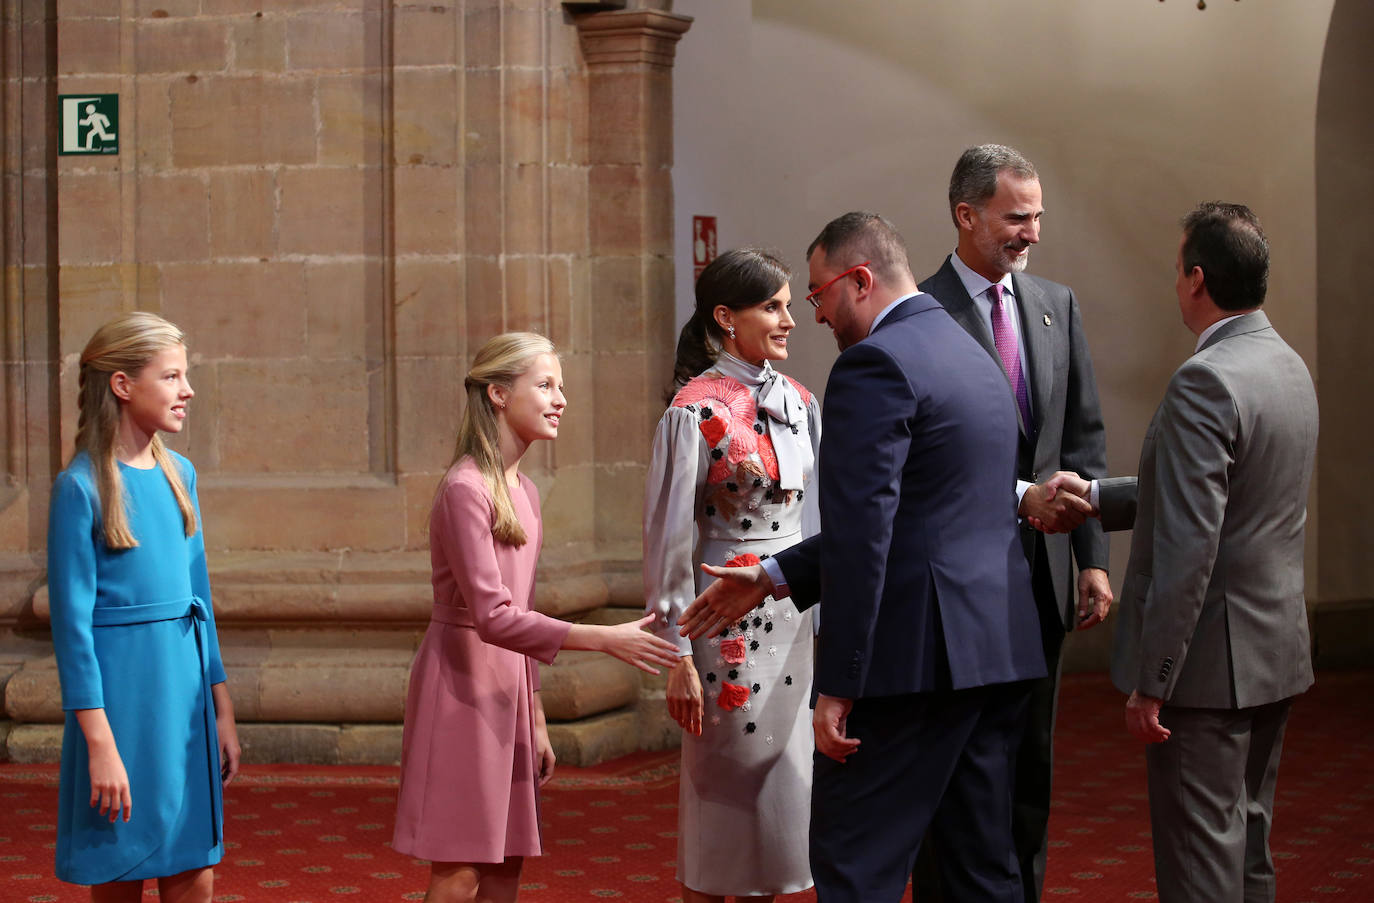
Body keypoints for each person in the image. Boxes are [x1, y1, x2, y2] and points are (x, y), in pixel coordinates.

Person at [681, 212, 1056, 902]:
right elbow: (929, 516)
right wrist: (771, 575)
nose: (816, 314)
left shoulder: (873, 365)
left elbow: (865, 533)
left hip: (914, 665)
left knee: (856, 864)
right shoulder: (972, 349)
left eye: (819, 293)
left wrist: (840, 684)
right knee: (980, 869)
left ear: (859, 279)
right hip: (997, 651)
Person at [1038, 203, 1317, 903]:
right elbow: (1229, 495)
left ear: (1197, 280)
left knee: (1199, 866)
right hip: (1273, 651)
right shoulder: (1286, 365)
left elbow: (1192, 543)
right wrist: (1099, 496)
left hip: (1205, 672)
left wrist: (1156, 677)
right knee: (1247, 844)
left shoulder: (1207, 378)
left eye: (1176, 270)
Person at [391, 332, 681, 903]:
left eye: (561, 386)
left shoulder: (524, 492)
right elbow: (494, 618)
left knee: (506, 865)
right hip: (461, 688)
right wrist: (601, 638)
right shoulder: (464, 488)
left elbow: (517, 615)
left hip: (510, 691)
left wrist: (537, 713)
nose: (560, 399)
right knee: (461, 868)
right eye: (545, 385)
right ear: (498, 394)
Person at [913, 144, 1111, 902]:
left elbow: (1083, 441)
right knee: (954, 771)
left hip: (1040, 579)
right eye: (1016, 217)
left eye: (1038, 217)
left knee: (1032, 765)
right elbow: (928, 457)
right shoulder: (921, 313)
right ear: (966, 215)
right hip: (955, 582)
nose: (1032, 233)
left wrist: (1090, 557)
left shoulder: (1057, 305)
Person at [644, 248, 821, 902]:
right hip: (723, 626)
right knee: (725, 801)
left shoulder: (803, 403)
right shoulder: (694, 409)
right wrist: (676, 653)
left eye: (788, 303)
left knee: (782, 810)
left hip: (795, 622)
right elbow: (669, 540)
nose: (789, 319)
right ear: (726, 317)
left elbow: (821, 524)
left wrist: (827, 625)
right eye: (771, 306)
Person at [47, 311, 240, 902]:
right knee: (120, 870)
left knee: (194, 873)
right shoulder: (81, 488)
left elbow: (198, 596)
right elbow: (72, 631)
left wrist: (222, 708)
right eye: (172, 376)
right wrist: (99, 744)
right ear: (122, 385)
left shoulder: (181, 473)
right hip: (121, 708)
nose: (188, 391)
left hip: (184, 698)